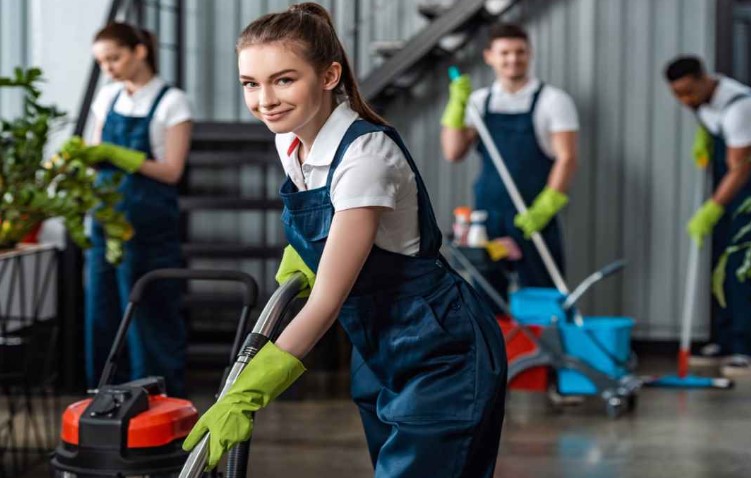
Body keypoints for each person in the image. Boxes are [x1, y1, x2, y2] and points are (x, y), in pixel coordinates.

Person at [183, 3, 507, 475]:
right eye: (251, 84)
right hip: (375, 344)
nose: (265, 100)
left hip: (440, 349)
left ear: (329, 75)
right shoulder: (290, 137)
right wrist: (308, 254)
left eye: (284, 79)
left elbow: (326, 302)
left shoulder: (365, 159)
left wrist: (249, 394)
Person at [65, 22, 193, 396]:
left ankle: (155, 397)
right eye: (103, 62)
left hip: (150, 224)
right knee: (103, 310)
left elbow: (171, 171)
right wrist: (79, 158)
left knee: (149, 311)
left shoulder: (172, 102)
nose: (109, 68)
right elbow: (93, 152)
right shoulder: (107, 98)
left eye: (114, 58)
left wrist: (119, 155)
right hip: (105, 221)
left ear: (139, 51)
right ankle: (106, 397)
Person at [440, 23, 578, 295]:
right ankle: (499, 339)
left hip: (532, 215)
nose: (513, 59)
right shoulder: (479, 102)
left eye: (520, 52)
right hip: (487, 218)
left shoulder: (553, 101)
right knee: (488, 296)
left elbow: (567, 157)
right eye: (504, 53)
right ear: (489, 56)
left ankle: (539, 340)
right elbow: (453, 153)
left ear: (530, 54)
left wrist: (546, 207)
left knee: (541, 295)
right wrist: (456, 108)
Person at [665, 56, 751, 377]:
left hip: (744, 194)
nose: (684, 100)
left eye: (689, 92)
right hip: (729, 190)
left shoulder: (739, 107)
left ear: (704, 79)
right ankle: (726, 340)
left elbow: (740, 168)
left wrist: (712, 209)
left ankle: (745, 349)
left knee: (740, 269)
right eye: (677, 94)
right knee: (719, 267)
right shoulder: (702, 103)